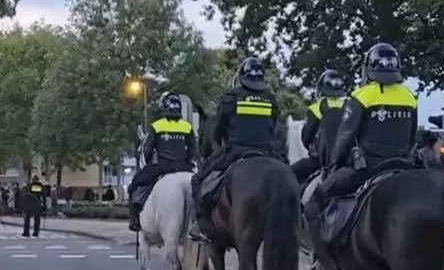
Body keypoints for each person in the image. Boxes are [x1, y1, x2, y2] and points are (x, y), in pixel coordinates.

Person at [306, 42, 418, 270]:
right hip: (405, 169)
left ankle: (327, 264)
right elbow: (412, 137)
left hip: (367, 169)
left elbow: (346, 136)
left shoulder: (361, 96)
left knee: (314, 204)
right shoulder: (409, 96)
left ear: (369, 69)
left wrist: (335, 163)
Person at [189, 56, 279, 241]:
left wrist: (222, 142)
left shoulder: (231, 98)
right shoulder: (271, 99)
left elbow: (218, 131)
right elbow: (274, 128)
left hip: (236, 152)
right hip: (267, 154)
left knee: (198, 181)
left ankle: (203, 225)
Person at [126, 92, 197, 231]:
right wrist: (188, 162)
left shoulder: (157, 126)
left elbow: (147, 150)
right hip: (183, 167)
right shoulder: (187, 127)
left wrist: (147, 163)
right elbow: (194, 151)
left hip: (162, 167)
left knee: (135, 186)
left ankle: (134, 219)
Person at [290, 69, 348, 185]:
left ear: (321, 89)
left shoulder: (316, 108)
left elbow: (306, 138)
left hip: (321, 162)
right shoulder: (350, 105)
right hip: (347, 161)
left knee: (291, 173)